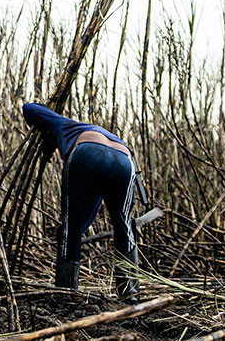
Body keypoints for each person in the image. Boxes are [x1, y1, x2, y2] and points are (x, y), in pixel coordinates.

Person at [21, 102, 143, 301]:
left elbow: (29, 108)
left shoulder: (64, 125)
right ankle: (130, 294)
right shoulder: (107, 135)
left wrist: (71, 232)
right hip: (124, 160)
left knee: (71, 226)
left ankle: (66, 292)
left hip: (86, 152)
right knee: (124, 226)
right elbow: (94, 200)